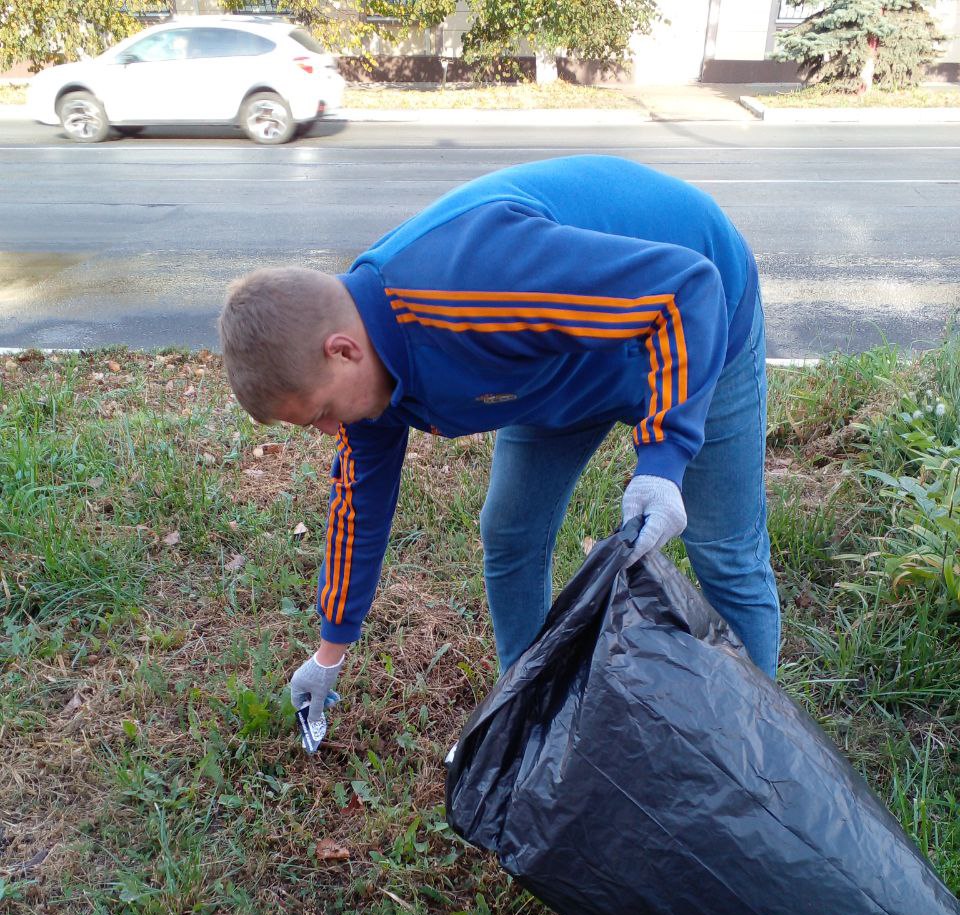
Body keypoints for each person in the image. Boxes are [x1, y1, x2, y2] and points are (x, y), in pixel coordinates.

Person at [218, 156, 780, 734]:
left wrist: (663, 460)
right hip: (561, 359)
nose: (331, 430)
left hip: (702, 317)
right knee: (511, 531)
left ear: (343, 350)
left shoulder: (468, 283)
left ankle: (761, 745)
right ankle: (530, 711)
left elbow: (686, 289)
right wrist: (329, 650)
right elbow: (358, 506)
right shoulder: (369, 370)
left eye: (323, 414)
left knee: (725, 549)